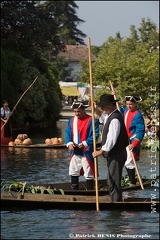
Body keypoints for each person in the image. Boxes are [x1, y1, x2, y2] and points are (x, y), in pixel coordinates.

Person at [92, 94, 129, 202]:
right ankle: (114, 199)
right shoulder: (111, 116)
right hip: (114, 153)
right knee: (111, 179)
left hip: (116, 153)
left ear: (110, 105)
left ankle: (116, 202)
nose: (102, 108)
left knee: (114, 179)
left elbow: (112, 139)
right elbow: (103, 119)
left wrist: (101, 151)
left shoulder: (115, 119)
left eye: (103, 106)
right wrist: (95, 110)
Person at [65, 101, 99, 190]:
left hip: (86, 151)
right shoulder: (71, 120)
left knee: (89, 172)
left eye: (78, 111)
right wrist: (69, 143)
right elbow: (68, 133)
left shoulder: (92, 120)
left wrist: (85, 143)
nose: (77, 113)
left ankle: (90, 191)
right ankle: (74, 190)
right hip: (75, 151)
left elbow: (95, 135)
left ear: (84, 110)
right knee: (73, 170)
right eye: (75, 111)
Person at [119, 95, 145, 184]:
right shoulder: (126, 110)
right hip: (124, 140)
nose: (128, 106)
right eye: (127, 104)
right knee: (124, 161)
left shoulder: (138, 115)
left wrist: (134, 144)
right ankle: (130, 180)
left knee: (129, 162)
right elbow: (119, 109)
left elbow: (140, 132)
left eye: (130, 104)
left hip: (132, 141)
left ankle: (132, 182)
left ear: (135, 104)